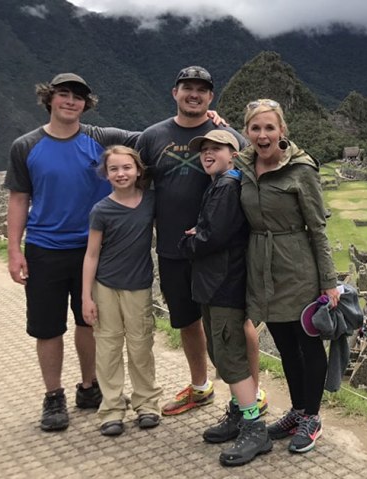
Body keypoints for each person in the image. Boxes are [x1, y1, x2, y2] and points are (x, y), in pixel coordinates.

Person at [5, 73, 139, 431]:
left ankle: (89, 386)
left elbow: (154, 140)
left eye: (78, 97)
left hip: (93, 248)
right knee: (47, 327)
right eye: (63, 94)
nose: (70, 101)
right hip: (45, 248)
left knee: (89, 321)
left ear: (86, 103)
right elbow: (19, 198)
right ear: (49, 98)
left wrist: (208, 123)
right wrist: (14, 250)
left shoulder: (101, 139)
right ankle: (53, 397)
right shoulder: (26, 146)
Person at [135, 66, 265, 416]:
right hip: (175, 248)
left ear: (211, 97)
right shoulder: (151, 137)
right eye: (187, 88)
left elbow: (263, 166)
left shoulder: (228, 135)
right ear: (174, 92)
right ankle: (200, 387)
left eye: (202, 90)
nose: (194, 94)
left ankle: (252, 392)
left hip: (223, 252)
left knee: (239, 321)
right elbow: (135, 186)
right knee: (187, 320)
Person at [236, 99, 340, 454]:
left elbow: (318, 227)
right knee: (283, 346)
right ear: (246, 132)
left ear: (282, 131)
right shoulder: (244, 165)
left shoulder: (301, 170)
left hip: (298, 267)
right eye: (255, 128)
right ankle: (296, 411)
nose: (263, 135)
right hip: (261, 268)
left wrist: (329, 280)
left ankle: (312, 416)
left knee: (307, 344)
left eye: (270, 128)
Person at [178, 130, 271, 466]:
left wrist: (188, 242)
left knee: (230, 355)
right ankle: (237, 412)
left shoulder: (227, 187)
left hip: (223, 284)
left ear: (234, 153)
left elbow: (211, 237)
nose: (207, 153)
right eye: (203, 149)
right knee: (220, 350)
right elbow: (211, 231)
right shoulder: (219, 185)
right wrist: (199, 235)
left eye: (215, 148)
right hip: (212, 283)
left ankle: (253, 426)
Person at [81, 146, 162, 436]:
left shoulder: (151, 201)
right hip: (105, 285)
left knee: (141, 346)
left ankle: (147, 404)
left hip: (139, 285)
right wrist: (86, 296)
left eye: (126, 167)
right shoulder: (101, 209)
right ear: (106, 174)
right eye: (114, 169)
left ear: (138, 170)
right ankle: (112, 409)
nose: (121, 173)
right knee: (108, 347)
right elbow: (91, 254)